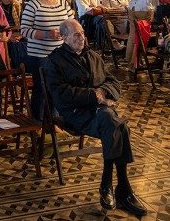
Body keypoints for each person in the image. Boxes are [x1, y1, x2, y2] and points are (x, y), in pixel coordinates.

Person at [42, 19, 147, 217]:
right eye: (76, 35)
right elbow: (61, 96)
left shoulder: (93, 55)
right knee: (119, 126)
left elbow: (113, 81)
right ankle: (121, 188)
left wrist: (103, 92)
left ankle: (110, 186)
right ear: (63, 37)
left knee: (112, 123)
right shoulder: (54, 61)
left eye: (82, 33)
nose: (82, 38)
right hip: (76, 114)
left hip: (100, 112)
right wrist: (95, 96)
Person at [20, 0, 74, 121]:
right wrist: (46, 34)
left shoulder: (63, 3)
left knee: (57, 88)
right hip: (40, 54)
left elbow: (72, 22)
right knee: (42, 88)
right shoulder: (34, 4)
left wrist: (69, 33)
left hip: (60, 54)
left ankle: (53, 121)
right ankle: (37, 121)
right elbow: (24, 30)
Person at [0, 0, 25, 68]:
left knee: (26, 42)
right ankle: (15, 70)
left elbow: (22, 21)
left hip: (17, 32)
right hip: (3, 34)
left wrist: (20, 35)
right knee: (12, 45)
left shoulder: (17, 4)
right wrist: (9, 37)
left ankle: (23, 68)